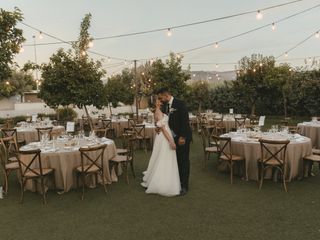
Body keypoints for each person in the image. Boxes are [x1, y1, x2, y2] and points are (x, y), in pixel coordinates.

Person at [141, 98, 181, 197]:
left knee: (161, 157)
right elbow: (162, 128)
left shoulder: (159, 112)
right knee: (164, 158)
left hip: (163, 136)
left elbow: (158, 127)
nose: (160, 102)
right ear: (155, 103)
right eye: (158, 101)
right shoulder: (158, 112)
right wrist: (171, 141)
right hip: (164, 138)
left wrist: (158, 129)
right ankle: (162, 181)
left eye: (160, 100)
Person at [157, 87, 192, 196]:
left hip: (182, 138)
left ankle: (184, 186)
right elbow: (163, 121)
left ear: (166, 95)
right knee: (176, 161)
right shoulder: (165, 107)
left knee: (184, 161)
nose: (160, 99)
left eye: (161, 97)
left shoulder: (180, 104)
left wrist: (182, 137)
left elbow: (185, 121)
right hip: (171, 138)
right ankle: (177, 182)